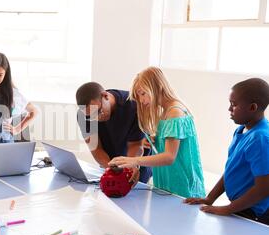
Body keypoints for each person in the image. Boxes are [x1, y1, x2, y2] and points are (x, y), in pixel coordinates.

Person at [109, 67, 205, 198]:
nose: (142, 101)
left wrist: (133, 160)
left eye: (143, 94)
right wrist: (157, 140)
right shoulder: (166, 111)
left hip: (181, 188)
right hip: (167, 185)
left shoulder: (174, 112)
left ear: (156, 87)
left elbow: (169, 156)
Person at [185, 78, 269, 225]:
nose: (229, 109)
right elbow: (232, 169)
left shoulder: (260, 138)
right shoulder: (241, 130)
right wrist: (210, 198)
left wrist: (227, 209)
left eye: (233, 105)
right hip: (240, 208)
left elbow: (263, 188)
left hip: (254, 213)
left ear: (252, 107)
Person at [75, 82, 152, 187]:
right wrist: (112, 169)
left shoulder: (133, 105)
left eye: (98, 111)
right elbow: (96, 149)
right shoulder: (84, 116)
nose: (97, 118)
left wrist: (130, 167)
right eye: (91, 116)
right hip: (110, 162)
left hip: (136, 162)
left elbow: (135, 145)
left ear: (105, 96)